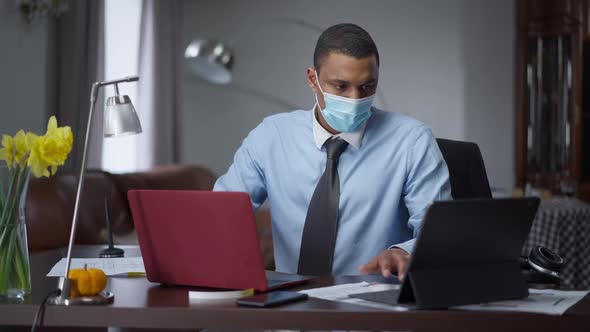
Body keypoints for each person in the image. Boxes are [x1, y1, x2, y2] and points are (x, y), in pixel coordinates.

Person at [214, 23, 451, 279]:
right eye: (340, 86)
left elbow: (439, 234)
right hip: (289, 304)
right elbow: (219, 214)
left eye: (367, 86)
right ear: (312, 79)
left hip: (373, 304)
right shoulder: (271, 136)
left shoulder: (412, 142)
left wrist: (404, 252)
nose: (354, 99)